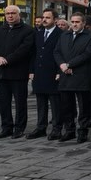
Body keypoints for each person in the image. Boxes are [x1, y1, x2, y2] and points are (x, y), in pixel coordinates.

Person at [0, 4, 36, 139]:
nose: (10, 16)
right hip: (0, 72)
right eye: (7, 13)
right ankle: (6, 127)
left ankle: (19, 128)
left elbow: (24, 49)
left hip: (18, 72)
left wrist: (8, 59)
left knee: (20, 102)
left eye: (13, 13)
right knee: (3, 102)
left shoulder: (28, 30)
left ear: (19, 15)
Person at [54, 12, 91, 142]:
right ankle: (69, 130)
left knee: (84, 106)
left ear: (83, 23)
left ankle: (82, 131)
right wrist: (62, 65)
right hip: (65, 76)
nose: (74, 24)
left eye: (77, 22)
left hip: (81, 76)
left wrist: (69, 64)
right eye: (72, 22)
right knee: (67, 106)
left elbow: (88, 54)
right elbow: (57, 51)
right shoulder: (64, 35)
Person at [28, 9, 62, 140]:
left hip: (53, 73)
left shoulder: (61, 34)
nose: (44, 20)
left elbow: (62, 53)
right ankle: (41, 127)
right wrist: (31, 70)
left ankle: (56, 128)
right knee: (41, 102)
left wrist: (59, 71)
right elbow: (34, 53)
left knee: (55, 103)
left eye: (48, 17)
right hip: (39, 72)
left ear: (55, 20)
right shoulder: (38, 33)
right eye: (43, 17)